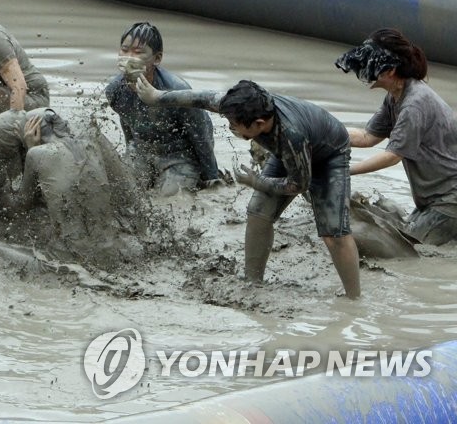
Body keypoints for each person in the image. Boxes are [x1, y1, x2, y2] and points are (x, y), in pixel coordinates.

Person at [135, 77, 361, 299]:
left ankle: (353, 299)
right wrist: (157, 97)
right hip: (288, 154)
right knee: (257, 212)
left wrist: (257, 181)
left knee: (334, 234)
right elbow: (199, 98)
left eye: (235, 126)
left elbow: (299, 184)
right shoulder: (241, 106)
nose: (230, 127)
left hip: (330, 154)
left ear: (259, 124)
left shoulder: (291, 135)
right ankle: (253, 284)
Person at [337, 28, 457, 245]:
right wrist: (322, 132)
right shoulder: (395, 96)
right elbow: (367, 137)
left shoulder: (414, 104)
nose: (363, 70)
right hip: (430, 200)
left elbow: (392, 156)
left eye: (370, 65)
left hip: (449, 201)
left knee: (405, 251)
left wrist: (344, 171)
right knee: (401, 235)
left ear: (390, 70)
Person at [0, 108, 142, 269]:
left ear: (34, 132)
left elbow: (19, 207)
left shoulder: (36, 154)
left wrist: (28, 148)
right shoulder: (91, 142)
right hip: (111, 250)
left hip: (68, 255)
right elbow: (125, 189)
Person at [104, 22, 222, 196]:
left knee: (170, 198)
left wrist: (211, 178)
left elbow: (201, 136)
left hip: (179, 155)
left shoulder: (177, 90)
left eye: (138, 52)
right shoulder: (115, 90)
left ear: (157, 58)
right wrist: (130, 153)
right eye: (124, 50)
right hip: (143, 151)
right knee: (123, 191)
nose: (129, 57)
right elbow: (128, 122)